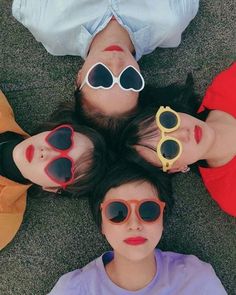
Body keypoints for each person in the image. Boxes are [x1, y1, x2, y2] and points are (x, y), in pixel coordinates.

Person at [12, 0, 199, 129]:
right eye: (129, 80)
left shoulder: (49, 26)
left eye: (100, 77)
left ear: (78, 79)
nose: (116, 63)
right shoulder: (170, 22)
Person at [47, 163, 227, 294]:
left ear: (162, 218)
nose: (134, 224)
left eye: (148, 210)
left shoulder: (195, 279)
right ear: (101, 222)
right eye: (117, 211)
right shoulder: (73, 289)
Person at [120, 63, 236, 217]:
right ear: (176, 167)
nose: (182, 133)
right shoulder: (230, 195)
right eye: (169, 149)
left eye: (168, 121)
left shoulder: (228, 85)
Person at [0, 90, 106, 251]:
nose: (47, 152)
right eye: (61, 139)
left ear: (51, 188)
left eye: (61, 168)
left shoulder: (4, 220)